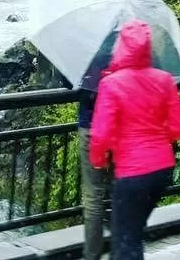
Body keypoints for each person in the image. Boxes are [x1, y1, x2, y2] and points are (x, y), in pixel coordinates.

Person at [90, 20, 180, 260]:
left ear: (120, 47)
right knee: (132, 231)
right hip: (162, 170)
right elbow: (179, 128)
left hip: (132, 172)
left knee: (127, 239)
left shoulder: (111, 83)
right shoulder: (164, 79)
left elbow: (101, 133)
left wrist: (99, 160)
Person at [78, 89, 109, 259]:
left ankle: (92, 254)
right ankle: (124, 246)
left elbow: (71, 84)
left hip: (92, 125)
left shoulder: (91, 62)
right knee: (120, 191)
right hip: (122, 129)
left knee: (93, 195)